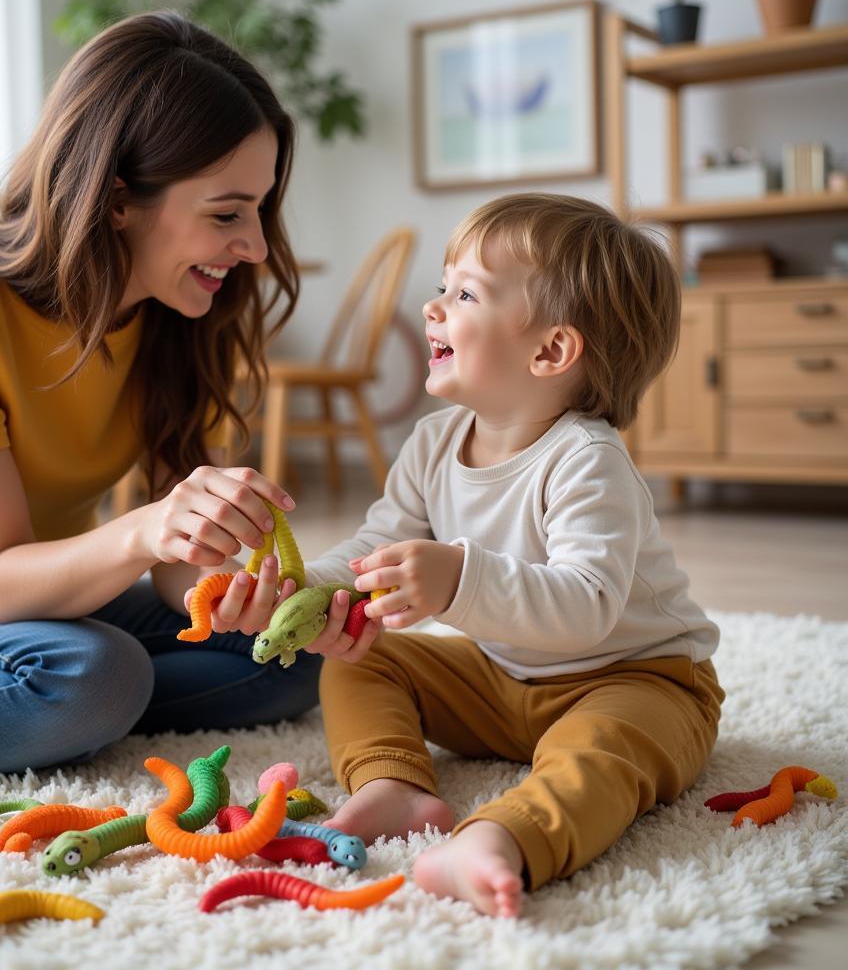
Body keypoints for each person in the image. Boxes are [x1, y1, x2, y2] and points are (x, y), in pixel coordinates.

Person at [0, 11, 319, 815]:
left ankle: (44, 712)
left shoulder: (179, 311)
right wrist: (147, 529)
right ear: (119, 198)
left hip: (60, 601)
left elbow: (172, 572)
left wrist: (232, 591)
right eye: (227, 214)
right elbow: (1, 581)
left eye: (259, 211)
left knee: (292, 654)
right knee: (96, 670)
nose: (257, 247)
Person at [298, 193, 724, 917]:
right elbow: (376, 546)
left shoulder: (587, 460)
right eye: (442, 286)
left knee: (602, 754)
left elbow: (587, 608)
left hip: (636, 679)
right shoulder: (434, 441)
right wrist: (303, 588)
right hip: (503, 677)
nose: (434, 308)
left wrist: (461, 577)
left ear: (550, 351)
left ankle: (503, 840)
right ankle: (393, 785)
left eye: (464, 294)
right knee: (359, 654)